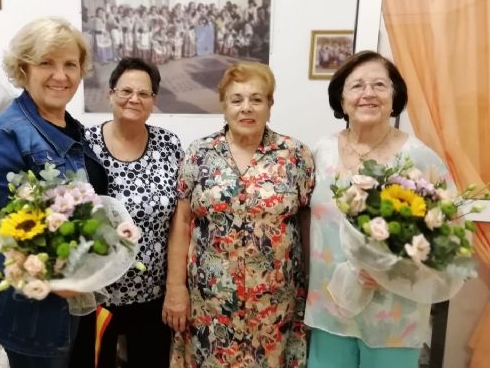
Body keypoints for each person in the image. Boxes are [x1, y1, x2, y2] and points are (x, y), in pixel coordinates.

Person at [0, 16, 108, 368]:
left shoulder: (70, 128)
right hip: (31, 313)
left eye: (70, 64)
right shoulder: (5, 136)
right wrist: (55, 283)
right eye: (46, 63)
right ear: (23, 68)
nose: (61, 75)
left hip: (70, 302)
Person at [304, 50, 452, 368]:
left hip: (395, 314)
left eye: (379, 85)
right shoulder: (320, 152)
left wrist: (395, 267)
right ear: (341, 100)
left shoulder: (420, 158)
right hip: (330, 306)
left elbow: (447, 238)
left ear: (394, 96)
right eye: (356, 86)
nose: (368, 93)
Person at [163, 62, 315, 367]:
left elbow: (307, 224)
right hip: (210, 303)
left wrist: (314, 292)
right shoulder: (199, 154)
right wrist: (175, 289)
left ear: (270, 105)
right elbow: (181, 223)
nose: (247, 108)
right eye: (237, 100)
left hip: (275, 306)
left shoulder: (295, 155)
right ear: (224, 106)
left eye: (257, 99)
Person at [71, 57, 183, 368]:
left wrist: (176, 286)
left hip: (152, 292)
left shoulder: (169, 145)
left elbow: (179, 220)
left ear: (153, 101)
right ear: (110, 94)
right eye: (126, 91)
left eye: (144, 93)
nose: (134, 99)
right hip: (97, 293)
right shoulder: (84, 144)